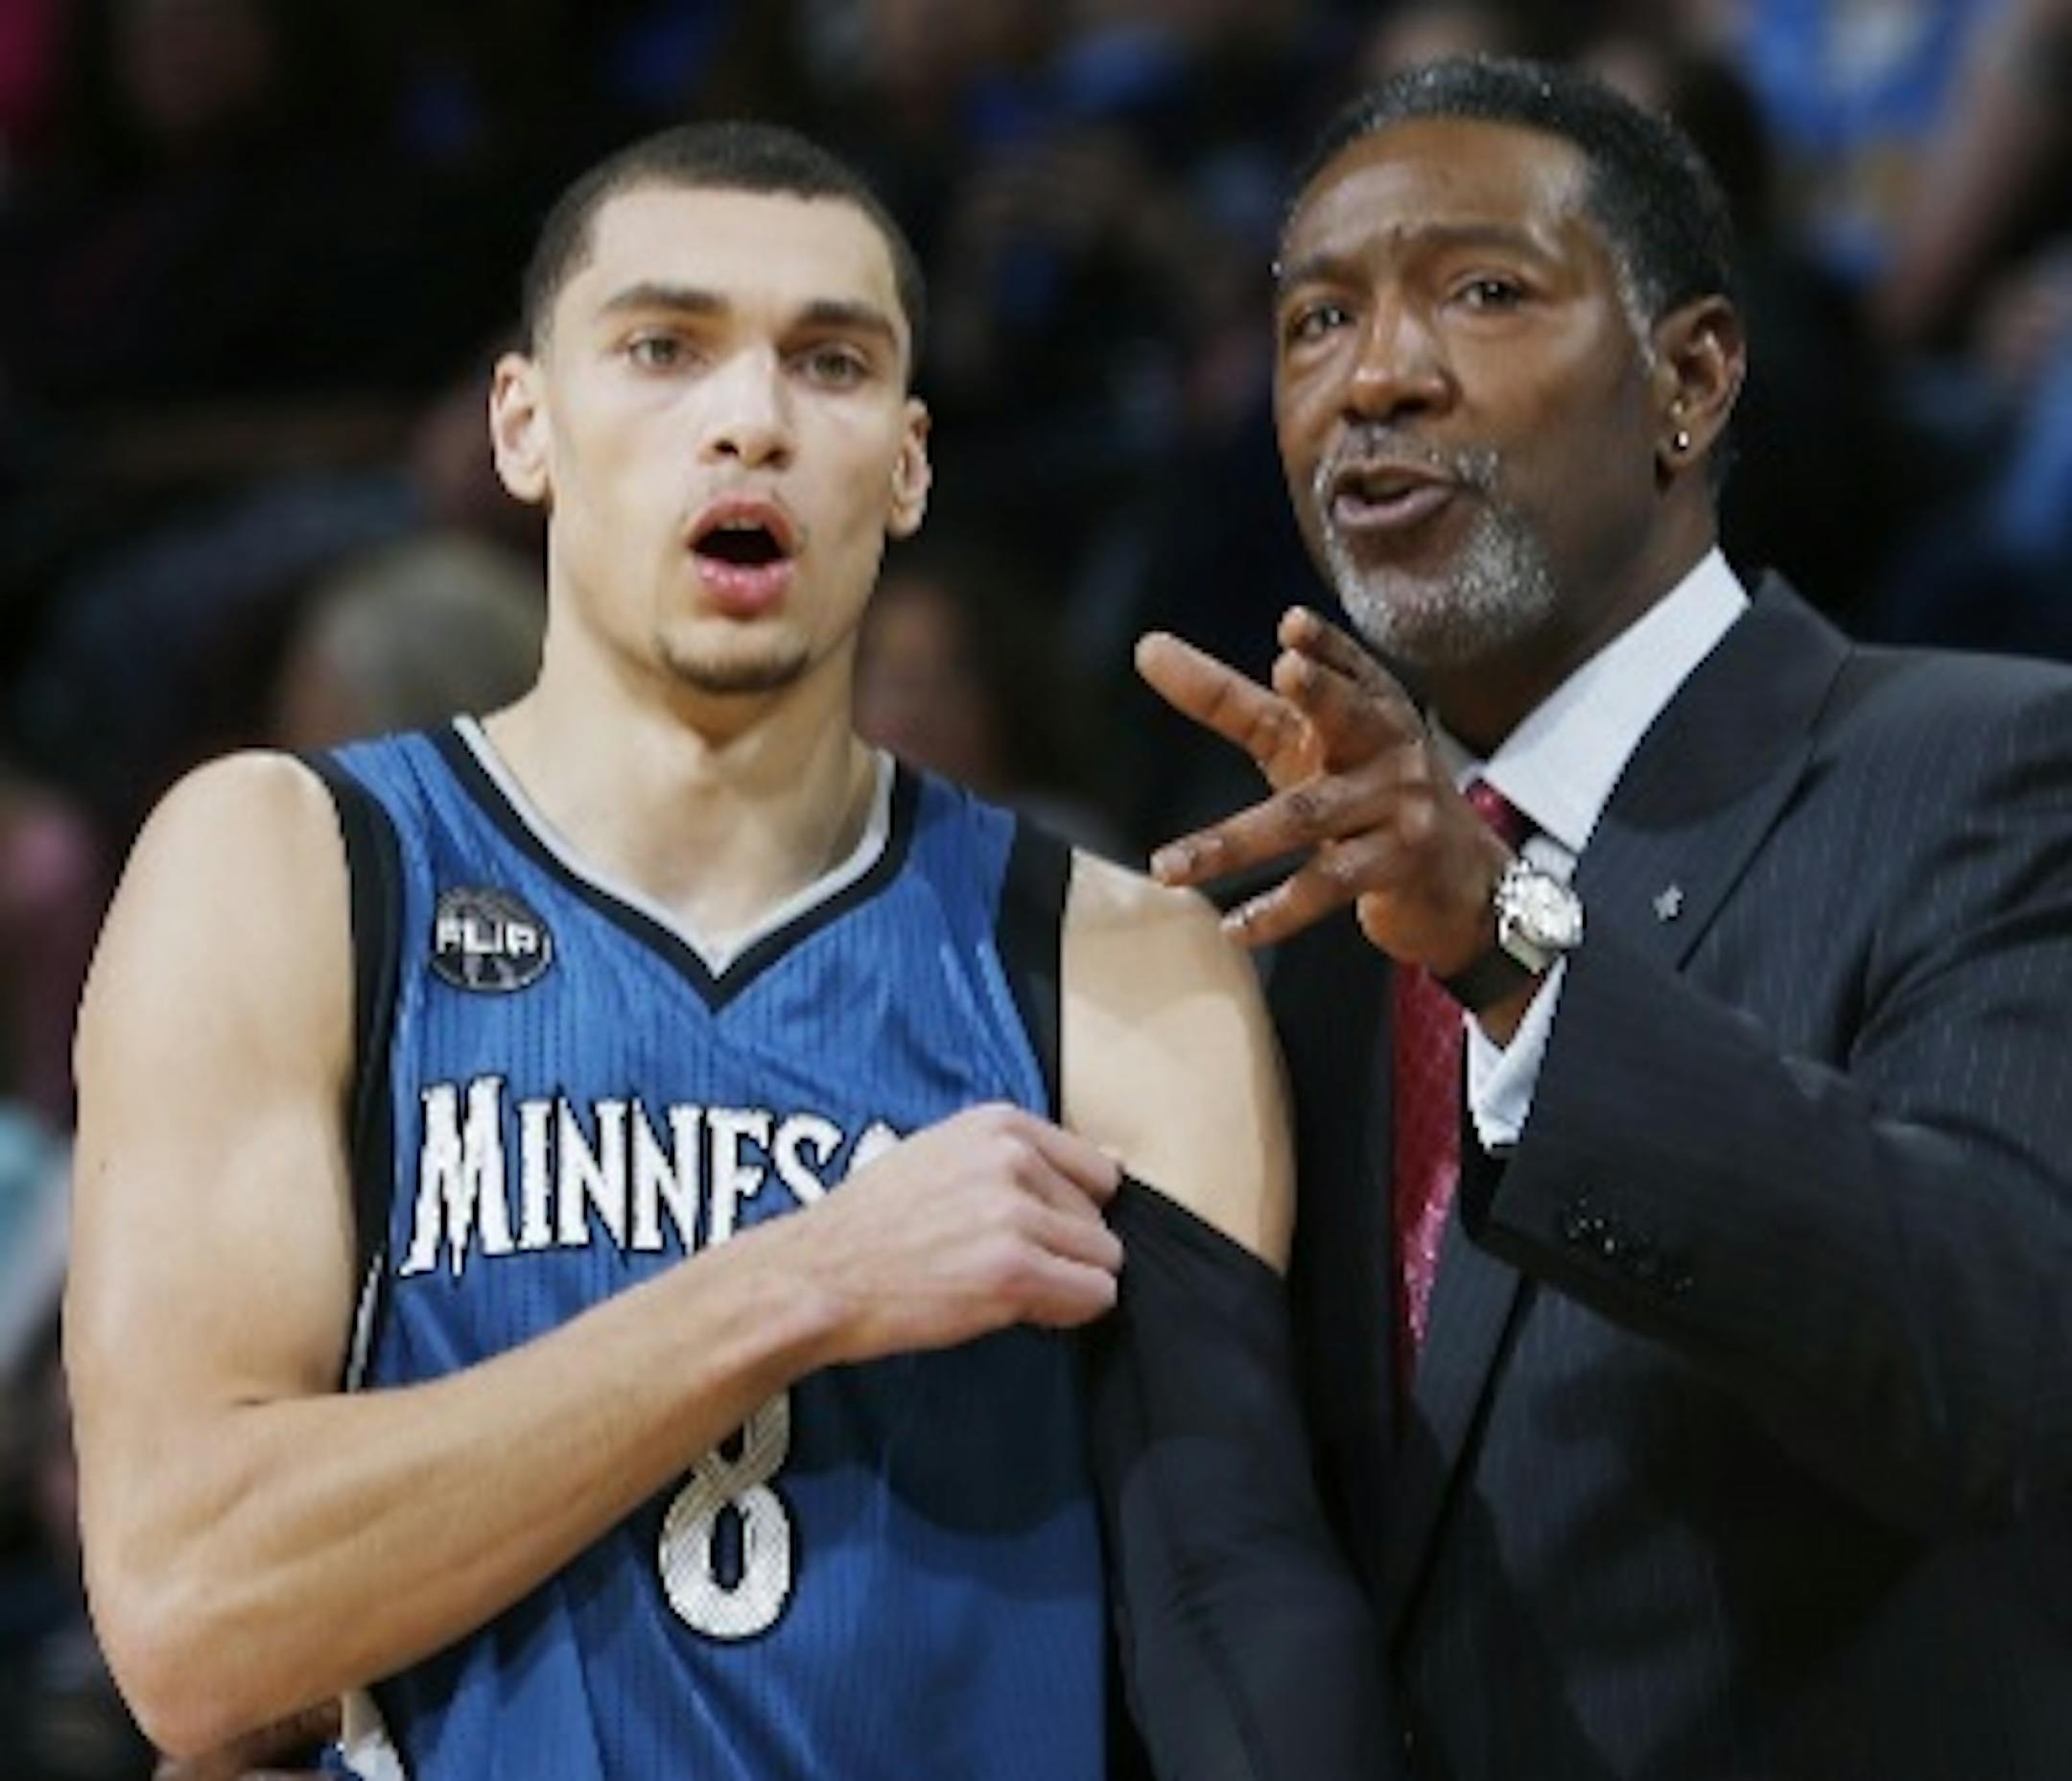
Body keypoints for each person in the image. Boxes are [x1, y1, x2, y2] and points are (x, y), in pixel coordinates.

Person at [66, 123, 1386, 1780]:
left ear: (907, 467)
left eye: (829, 364)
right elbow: (192, 1621)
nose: (750, 417)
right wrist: (805, 1279)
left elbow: (1231, 1607)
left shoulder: (1116, 957)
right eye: (662, 348)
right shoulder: (291, 868)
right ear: (523, 426)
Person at [1139, 56, 2072, 1780]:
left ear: (1691, 378)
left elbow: (2007, 1369)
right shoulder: (1289, 934)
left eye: (1482, 292)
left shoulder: (1989, 769)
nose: (1376, 380)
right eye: (1316, 323)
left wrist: (1511, 952)